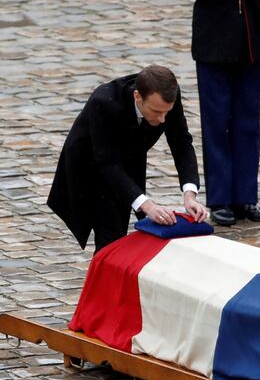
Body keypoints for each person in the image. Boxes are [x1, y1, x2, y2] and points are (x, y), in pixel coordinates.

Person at [167, 0, 260, 226]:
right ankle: (221, 199)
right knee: (217, 122)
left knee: (248, 123)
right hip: (214, 40)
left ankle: (246, 198)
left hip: (252, 40)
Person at [47, 65, 208, 253]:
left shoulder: (167, 95)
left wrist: (190, 195)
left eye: (167, 112)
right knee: (111, 236)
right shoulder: (104, 102)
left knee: (123, 226)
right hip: (90, 168)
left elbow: (181, 141)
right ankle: (104, 280)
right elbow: (107, 163)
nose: (163, 119)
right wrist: (147, 205)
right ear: (138, 97)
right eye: (156, 112)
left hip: (129, 158)